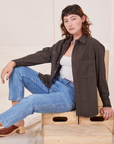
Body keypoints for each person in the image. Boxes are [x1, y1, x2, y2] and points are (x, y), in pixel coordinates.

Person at [0, 4, 113, 137]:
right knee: (17, 70)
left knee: (31, 101)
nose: (69, 23)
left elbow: (101, 76)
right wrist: (13, 62)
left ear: (83, 19)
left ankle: (4, 120)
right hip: (52, 85)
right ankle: (17, 122)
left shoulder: (94, 45)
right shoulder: (62, 44)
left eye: (73, 18)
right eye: (66, 21)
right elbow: (40, 55)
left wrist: (107, 104)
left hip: (68, 95)